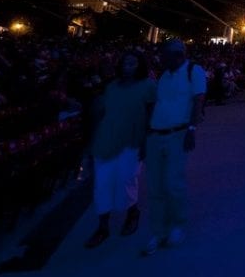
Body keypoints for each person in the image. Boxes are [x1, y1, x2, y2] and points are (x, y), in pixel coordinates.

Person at [85, 52, 156, 248]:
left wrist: (146, 140)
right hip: (107, 140)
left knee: (126, 179)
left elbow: (151, 113)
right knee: (103, 182)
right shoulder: (111, 87)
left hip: (132, 139)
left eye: (132, 63)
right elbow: (100, 114)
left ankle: (132, 212)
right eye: (124, 62)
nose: (127, 66)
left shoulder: (148, 86)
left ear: (140, 65)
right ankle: (103, 226)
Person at [142, 39, 206, 256]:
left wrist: (192, 129)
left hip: (177, 134)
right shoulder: (164, 75)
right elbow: (159, 104)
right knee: (155, 185)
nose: (161, 59)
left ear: (177, 55)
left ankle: (177, 225)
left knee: (172, 183)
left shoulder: (193, 71)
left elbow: (198, 101)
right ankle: (159, 230)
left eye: (164, 55)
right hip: (155, 134)